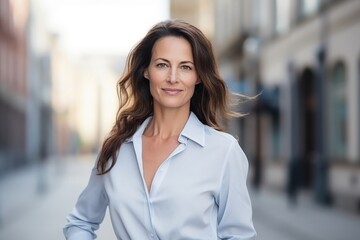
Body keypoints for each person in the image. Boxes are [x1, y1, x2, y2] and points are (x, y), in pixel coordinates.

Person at [63, 19, 256, 240]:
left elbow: (239, 236)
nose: (173, 78)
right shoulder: (116, 148)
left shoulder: (223, 151)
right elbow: (81, 221)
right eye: (162, 65)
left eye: (185, 67)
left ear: (198, 77)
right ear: (146, 71)